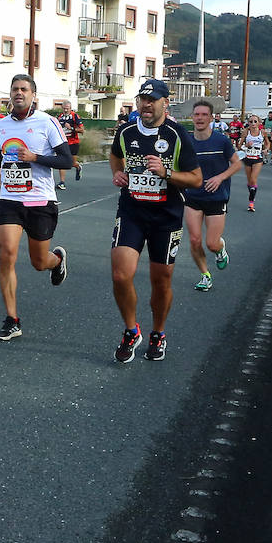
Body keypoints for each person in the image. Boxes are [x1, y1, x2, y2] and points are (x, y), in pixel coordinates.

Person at [0, 75, 72, 340]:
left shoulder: (47, 122)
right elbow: (0, 158)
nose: (19, 93)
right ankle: (12, 320)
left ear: (33, 95)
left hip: (40, 200)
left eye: (24, 89)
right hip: (10, 199)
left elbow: (66, 160)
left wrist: (35, 157)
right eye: (15, 89)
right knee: (6, 254)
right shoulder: (2, 125)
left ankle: (56, 261)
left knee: (39, 261)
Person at [108, 79, 202, 363]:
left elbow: (196, 179)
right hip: (132, 212)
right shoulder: (126, 131)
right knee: (120, 275)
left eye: (153, 100)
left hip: (166, 216)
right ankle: (131, 330)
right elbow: (115, 156)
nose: (146, 105)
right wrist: (118, 173)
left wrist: (166, 173)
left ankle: (158, 333)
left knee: (161, 281)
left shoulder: (177, 134)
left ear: (165, 103)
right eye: (143, 99)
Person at [180, 99, 241, 291]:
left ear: (211, 118)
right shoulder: (186, 142)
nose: (200, 118)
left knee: (212, 244)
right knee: (194, 240)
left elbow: (237, 164)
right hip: (192, 196)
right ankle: (205, 275)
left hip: (216, 197)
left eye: (204, 115)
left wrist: (220, 178)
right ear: (192, 117)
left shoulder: (221, 140)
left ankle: (220, 250)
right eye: (197, 114)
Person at [239, 116, 267, 211]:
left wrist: (266, 149)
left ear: (259, 123)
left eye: (255, 121)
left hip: (258, 159)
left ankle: (251, 203)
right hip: (248, 158)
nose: (253, 123)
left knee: (253, 179)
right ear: (248, 123)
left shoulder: (262, 132)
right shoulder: (246, 132)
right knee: (249, 182)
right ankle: (252, 192)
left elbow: (267, 143)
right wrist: (246, 145)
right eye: (251, 121)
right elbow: (239, 146)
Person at [56, 103, 85, 189]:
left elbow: (82, 130)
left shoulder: (75, 116)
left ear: (70, 108)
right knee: (62, 162)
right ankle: (62, 182)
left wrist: (71, 128)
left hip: (73, 142)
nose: (65, 110)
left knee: (71, 163)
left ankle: (77, 166)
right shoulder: (60, 117)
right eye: (64, 108)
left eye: (67, 108)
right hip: (63, 142)